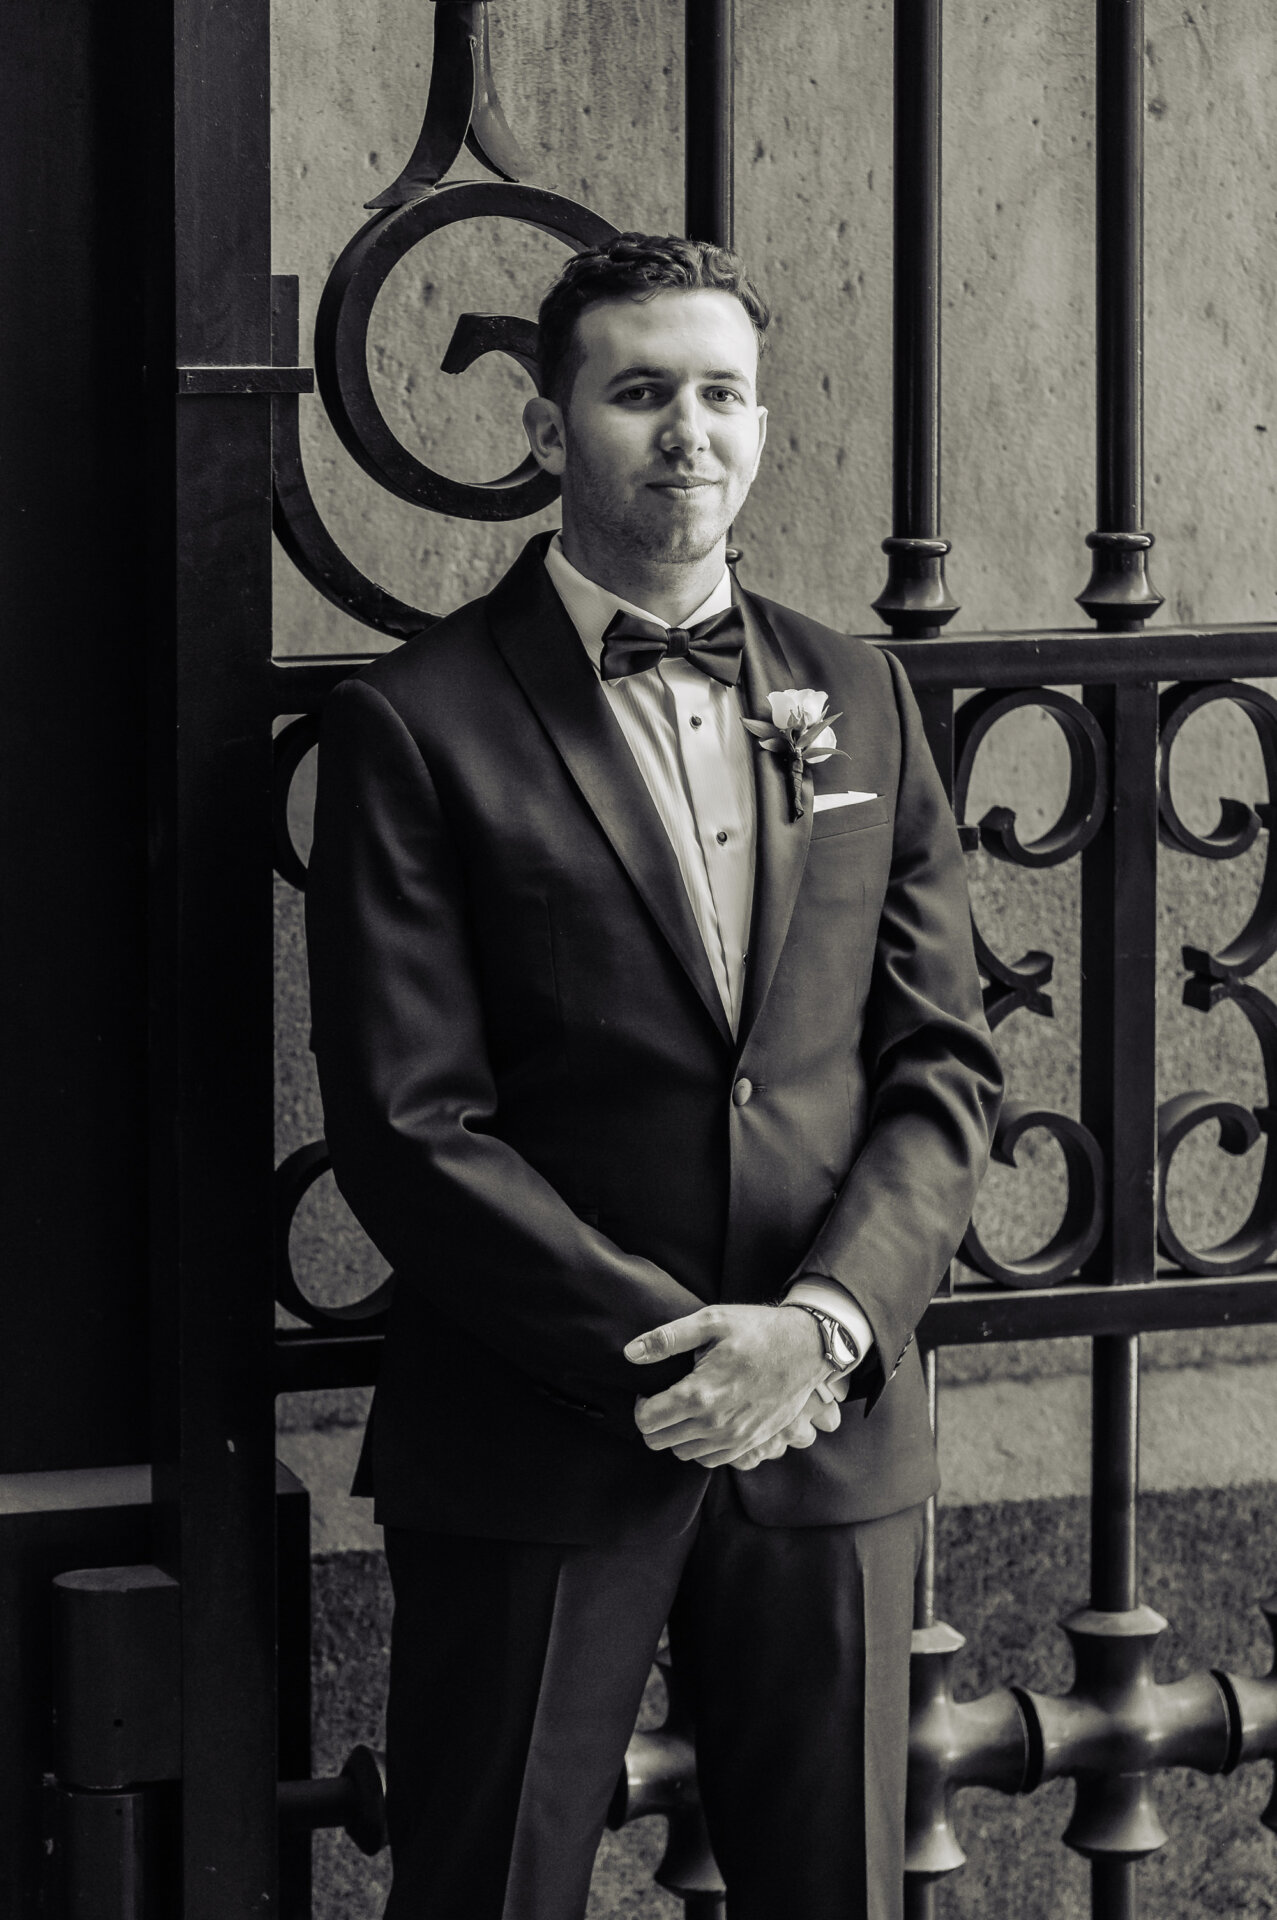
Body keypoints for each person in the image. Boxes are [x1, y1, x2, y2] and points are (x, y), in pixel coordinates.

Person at [305, 233, 1002, 1920]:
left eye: (720, 394)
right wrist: (680, 1360)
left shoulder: (858, 690)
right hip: (544, 1433)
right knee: (492, 1884)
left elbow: (940, 1064)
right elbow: (409, 1124)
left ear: (760, 424)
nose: (687, 431)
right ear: (549, 434)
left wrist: (822, 1330)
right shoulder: (418, 722)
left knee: (831, 1888)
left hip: (828, 1424)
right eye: (638, 394)